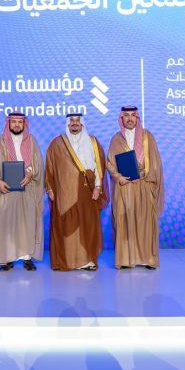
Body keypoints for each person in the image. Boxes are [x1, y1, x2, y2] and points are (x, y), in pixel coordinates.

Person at [44, 113, 109, 271]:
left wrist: (98, 187)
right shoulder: (57, 143)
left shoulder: (93, 142)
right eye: (71, 121)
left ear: (82, 124)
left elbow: (99, 167)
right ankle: (66, 261)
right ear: (67, 123)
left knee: (87, 224)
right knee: (66, 225)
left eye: (77, 121)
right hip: (64, 192)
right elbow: (50, 168)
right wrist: (50, 189)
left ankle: (87, 261)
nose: (74, 123)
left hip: (87, 190)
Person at [106, 106, 164, 269]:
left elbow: (156, 162)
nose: (130, 118)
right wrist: (118, 177)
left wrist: (145, 174)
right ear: (121, 119)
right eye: (126, 116)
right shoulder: (116, 139)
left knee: (145, 222)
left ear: (137, 118)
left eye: (133, 115)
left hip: (144, 186)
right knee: (125, 222)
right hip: (124, 188)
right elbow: (109, 163)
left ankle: (148, 259)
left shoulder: (147, 137)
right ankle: (125, 260)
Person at [0, 112, 44, 271]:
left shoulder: (31, 141)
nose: (17, 125)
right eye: (14, 121)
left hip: (27, 189)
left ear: (24, 124)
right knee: (6, 225)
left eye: (20, 121)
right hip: (6, 191)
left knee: (27, 225)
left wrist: (30, 174)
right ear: (9, 123)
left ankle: (27, 258)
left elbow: (38, 163)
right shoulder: (0, 141)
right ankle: (7, 259)